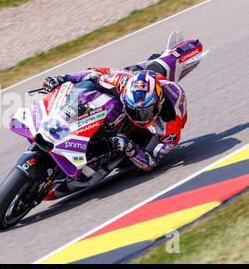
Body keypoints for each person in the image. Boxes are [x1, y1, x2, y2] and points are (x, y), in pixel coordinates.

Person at [42, 67, 187, 199]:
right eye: (134, 112)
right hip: (137, 80)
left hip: (153, 128)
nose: (140, 118)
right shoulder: (122, 82)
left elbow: (150, 163)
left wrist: (129, 147)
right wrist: (63, 78)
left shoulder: (171, 126)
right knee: (100, 95)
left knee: (127, 162)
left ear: (158, 102)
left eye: (146, 113)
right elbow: (94, 74)